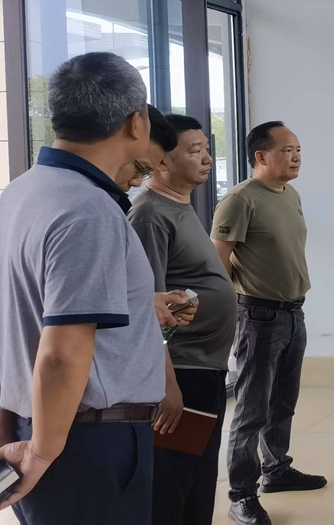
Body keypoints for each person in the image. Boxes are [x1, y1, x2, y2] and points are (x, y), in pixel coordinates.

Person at [0, 52, 191, 523]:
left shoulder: (19, 193)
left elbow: (26, 310)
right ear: (136, 122)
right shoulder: (88, 209)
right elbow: (62, 353)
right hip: (84, 441)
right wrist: (43, 451)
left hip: (37, 421)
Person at [214, 121, 325, 525]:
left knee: (282, 403)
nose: (296, 157)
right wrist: (230, 319)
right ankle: (241, 495)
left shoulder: (289, 193)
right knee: (252, 410)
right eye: (286, 150)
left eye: (298, 150)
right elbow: (218, 264)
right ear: (260, 156)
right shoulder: (240, 200)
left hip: (294, 312)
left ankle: (276, 469)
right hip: (258, 316)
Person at [130, 113, 239, 524]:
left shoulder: (180, 205)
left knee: (198, 478)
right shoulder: (149, 214)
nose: (207, 158)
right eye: (195, 151)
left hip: (204, 369)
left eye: (207, 149)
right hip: (182, 373)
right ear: (161, 159)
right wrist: (167, 384)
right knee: (174, 482)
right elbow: (147, 306)